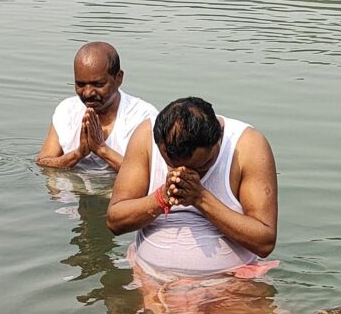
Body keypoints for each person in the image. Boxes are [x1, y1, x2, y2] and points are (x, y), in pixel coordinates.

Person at [107, 96, 278, 277]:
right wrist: (161, 198)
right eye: (172, 165)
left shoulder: (248, 146)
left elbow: (264, 242)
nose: (183, 173)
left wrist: (200, 198)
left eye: (200, 167)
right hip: (150, 278)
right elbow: (115, 222)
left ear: (218, 138)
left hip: (229, 283)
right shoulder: (145, 136)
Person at [36, 42, 157, 171]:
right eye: (80, 84)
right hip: (72, 188)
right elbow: (42, 162)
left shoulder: (144, 118)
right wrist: (78, 154)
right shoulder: (66, 110)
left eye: (98, 84)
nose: (88, 93)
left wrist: (102, 150)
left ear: (118, 78)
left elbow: (150, 174)